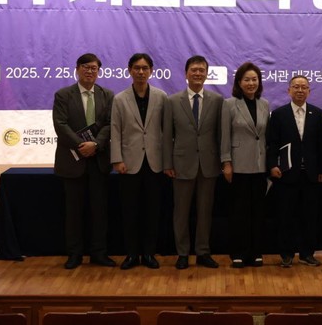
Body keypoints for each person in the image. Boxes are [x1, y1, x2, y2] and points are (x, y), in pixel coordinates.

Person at [52, 53, 116, 269]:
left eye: (94, 68)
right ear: (77, 69)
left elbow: (110, 124)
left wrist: (95, 144)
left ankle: (99, 253)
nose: (90, 71)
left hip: (99, 160)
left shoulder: (108, 95)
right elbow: (61, 125)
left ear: (99, 71)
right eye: (86, 67)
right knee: (74, 212)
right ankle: (74, 254)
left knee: (100, 211)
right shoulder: (63, 95)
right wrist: (82, 145)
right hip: (73, 161)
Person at [162, 55, 223, 270]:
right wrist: (167, 163)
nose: (198, 73)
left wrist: (223, 161)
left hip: (208, 165)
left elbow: (220, 134)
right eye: (194, 70)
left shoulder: (217, 100)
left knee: (205, 212)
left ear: (207, 74)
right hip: (181, 165)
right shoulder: (172, 101)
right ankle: (182, 253)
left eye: (201, 70)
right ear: (186, 73)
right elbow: (167, 135)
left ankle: (203, 252)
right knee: (181, 212)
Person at [111, 53, 168, 270]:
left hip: (155, 163)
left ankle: (149, 254)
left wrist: (168, 161)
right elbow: (115, 131)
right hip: (129, 164)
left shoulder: (162, 97)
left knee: (153, 212)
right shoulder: (120, 99)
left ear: (151, 71)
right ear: (129, 70)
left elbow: (167, 132)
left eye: (145, 68)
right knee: (130, 212)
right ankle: (132, 255)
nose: (141, 72)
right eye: (137, 68)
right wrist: (117, 159)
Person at [266, 75, 322, 268]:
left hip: (310, 174)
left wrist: (321, 169)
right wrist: (272, 165)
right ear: (289, 90)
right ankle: (286, 254)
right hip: (286, 174)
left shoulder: (317, 113)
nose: (300, 90)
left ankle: (307, 254)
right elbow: (272, 143)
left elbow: (321, 145)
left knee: (310, 216)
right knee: (286, 216)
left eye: (304, 87)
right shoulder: (279, 114)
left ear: (309, 91)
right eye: (296, 87)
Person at [221, 62, 270, 268]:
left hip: (260, 166)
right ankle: (238, 253)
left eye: (254, 79)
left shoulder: (264, 104)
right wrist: (226, 162)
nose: (251, 83)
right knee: (239, 213)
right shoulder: (229, 104)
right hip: (238, 165)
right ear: (239, 82)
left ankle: (256, 252)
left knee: (258, 212)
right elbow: (225, 135)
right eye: (247, 80)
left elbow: (264, 136)